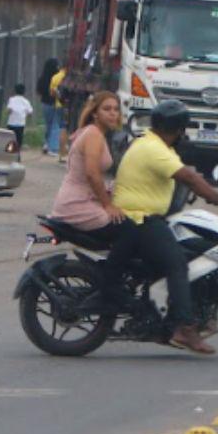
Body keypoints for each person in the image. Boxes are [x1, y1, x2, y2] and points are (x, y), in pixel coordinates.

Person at [113, 100, 218, 356]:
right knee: (177, 265)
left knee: (183, 253)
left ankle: (173, 314)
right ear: (177, 129)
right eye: (183, 128)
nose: (184, 134)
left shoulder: (155, 144)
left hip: (143, 218)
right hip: (141, 220)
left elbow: (185, 173)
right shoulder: (153, 149)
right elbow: (190, 178)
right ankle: (184, 329)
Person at [48, 92, 135, 303]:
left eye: (116, 109)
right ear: (95, 113)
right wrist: (108, 205)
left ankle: (114, 274)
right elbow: (91, 174)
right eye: (107, 109)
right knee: (131, 231)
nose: (113, 114)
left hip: (77, 199)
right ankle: (111, 285)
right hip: (77, 205)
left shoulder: (92, 132)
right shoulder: (94, 134)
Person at [36, 58, 61, 155]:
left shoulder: (42, 78)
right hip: (56, 103)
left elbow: (38, 92)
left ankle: (46, 144)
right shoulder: (57, 78)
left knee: (48, 125)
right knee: (55, 125)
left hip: (45, 103)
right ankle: (53, 147)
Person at [5, 83, 33, 149]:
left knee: (10, 140)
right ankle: (17, 154)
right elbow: (30, 112)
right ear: (24, 91)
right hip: (20, 124)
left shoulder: (11, 99)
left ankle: (10, 151)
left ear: (15, 91)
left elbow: (9, 110)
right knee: (18, 140)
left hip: (11, 123)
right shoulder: (26, 101)